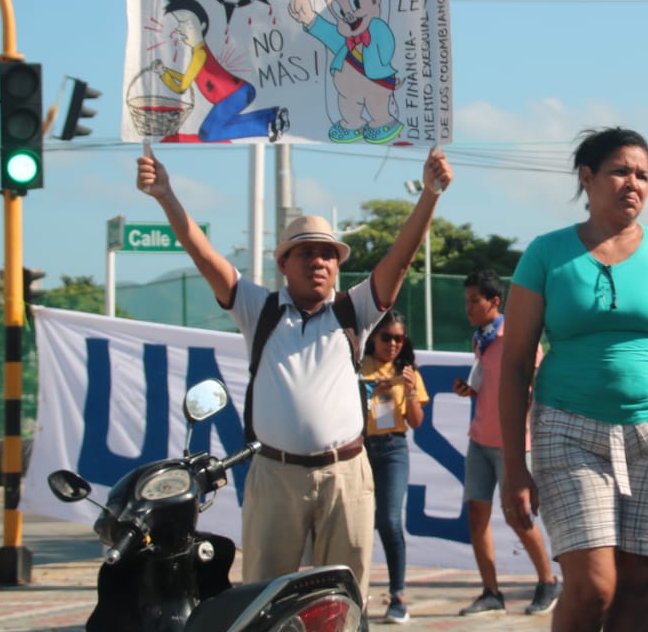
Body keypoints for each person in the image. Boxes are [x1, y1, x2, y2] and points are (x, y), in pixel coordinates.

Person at [135, 145, 452, 597]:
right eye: (305, 253)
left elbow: (398, 261)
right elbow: (203, 255)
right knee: (263, 599)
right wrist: (165, 194)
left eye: (327, 254)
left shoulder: (354, 311)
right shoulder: (257, 309)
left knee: (343, 602)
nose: (317, 262)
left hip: (346, 475)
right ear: (283, 263)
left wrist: (430, 194)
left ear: (338, 266)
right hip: (273, 475)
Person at [498, 127, 648, 632]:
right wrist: (514, 464)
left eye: (643, 175)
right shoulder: (545, 254)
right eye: (621, 171)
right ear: (587, 178)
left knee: (637, 588)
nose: (633, 183)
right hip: (568, 431)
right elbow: (513, 368)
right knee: (595, 586)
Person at [452, 270, 561, 617]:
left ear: (495, 302)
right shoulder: (479, 338)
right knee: (475, 515)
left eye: (474, 300)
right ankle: (491, 592)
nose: (468, 307)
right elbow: (489, 382)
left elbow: (536, 386)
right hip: (479, 438)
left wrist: (523, 435)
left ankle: (548, 582)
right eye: (466, 300)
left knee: (518, 515)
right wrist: (472, 390)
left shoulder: (519, 334)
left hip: (511, 444)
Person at [360, 311, 429, 624]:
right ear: (373, 337)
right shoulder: (358, 366)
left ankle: (398, 594)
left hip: (392, 449)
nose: (392, 344)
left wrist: (410, 389)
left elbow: (416, 422)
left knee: (388, 519)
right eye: (386, 337)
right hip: (358, 450)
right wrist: (373, 385)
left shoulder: (408, 371)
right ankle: (352, 594)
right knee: (355, 525)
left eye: (399, 339)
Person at [153, 0, 288, 143]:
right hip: (238, 92)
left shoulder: (200, 54)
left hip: (235, 94)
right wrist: (165, 71)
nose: (180, 29)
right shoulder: (198, 52)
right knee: (216, 128)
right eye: (180, 24)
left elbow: (182, 87)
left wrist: (162, 74)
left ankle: (268, 126)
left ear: (202, 26)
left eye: (187, 24)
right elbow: (186, 77)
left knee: (208, 133)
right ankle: (273, 117)